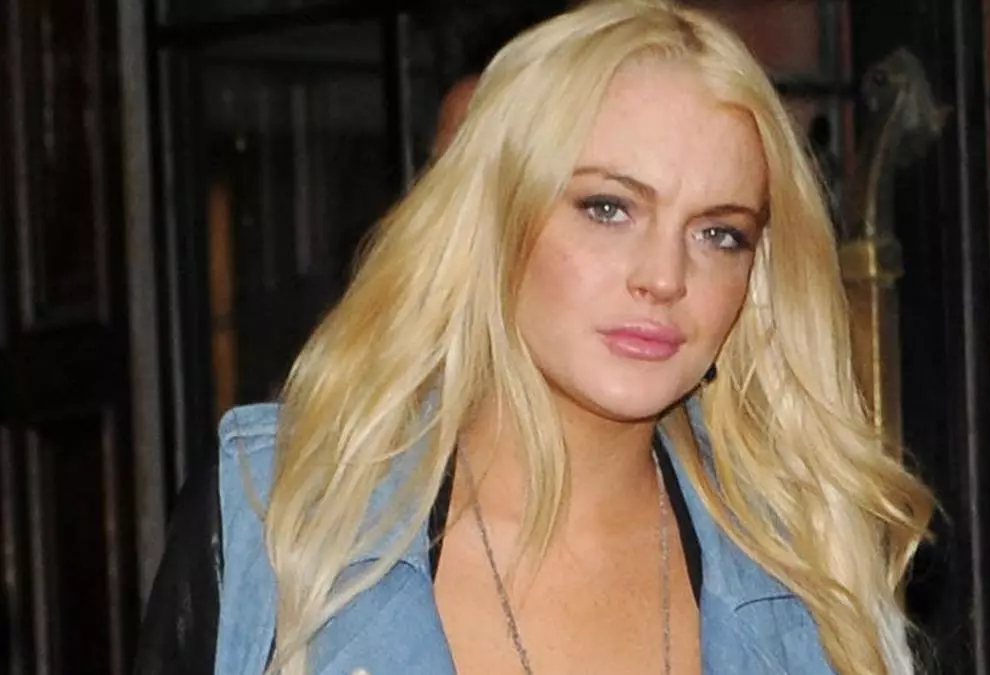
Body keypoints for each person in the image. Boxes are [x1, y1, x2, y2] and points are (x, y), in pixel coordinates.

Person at [135, 1, 934, 674]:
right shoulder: (275, 514)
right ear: (496, 219)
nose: (664, 277)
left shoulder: (811, 564)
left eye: (719, 233)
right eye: (608, 208)